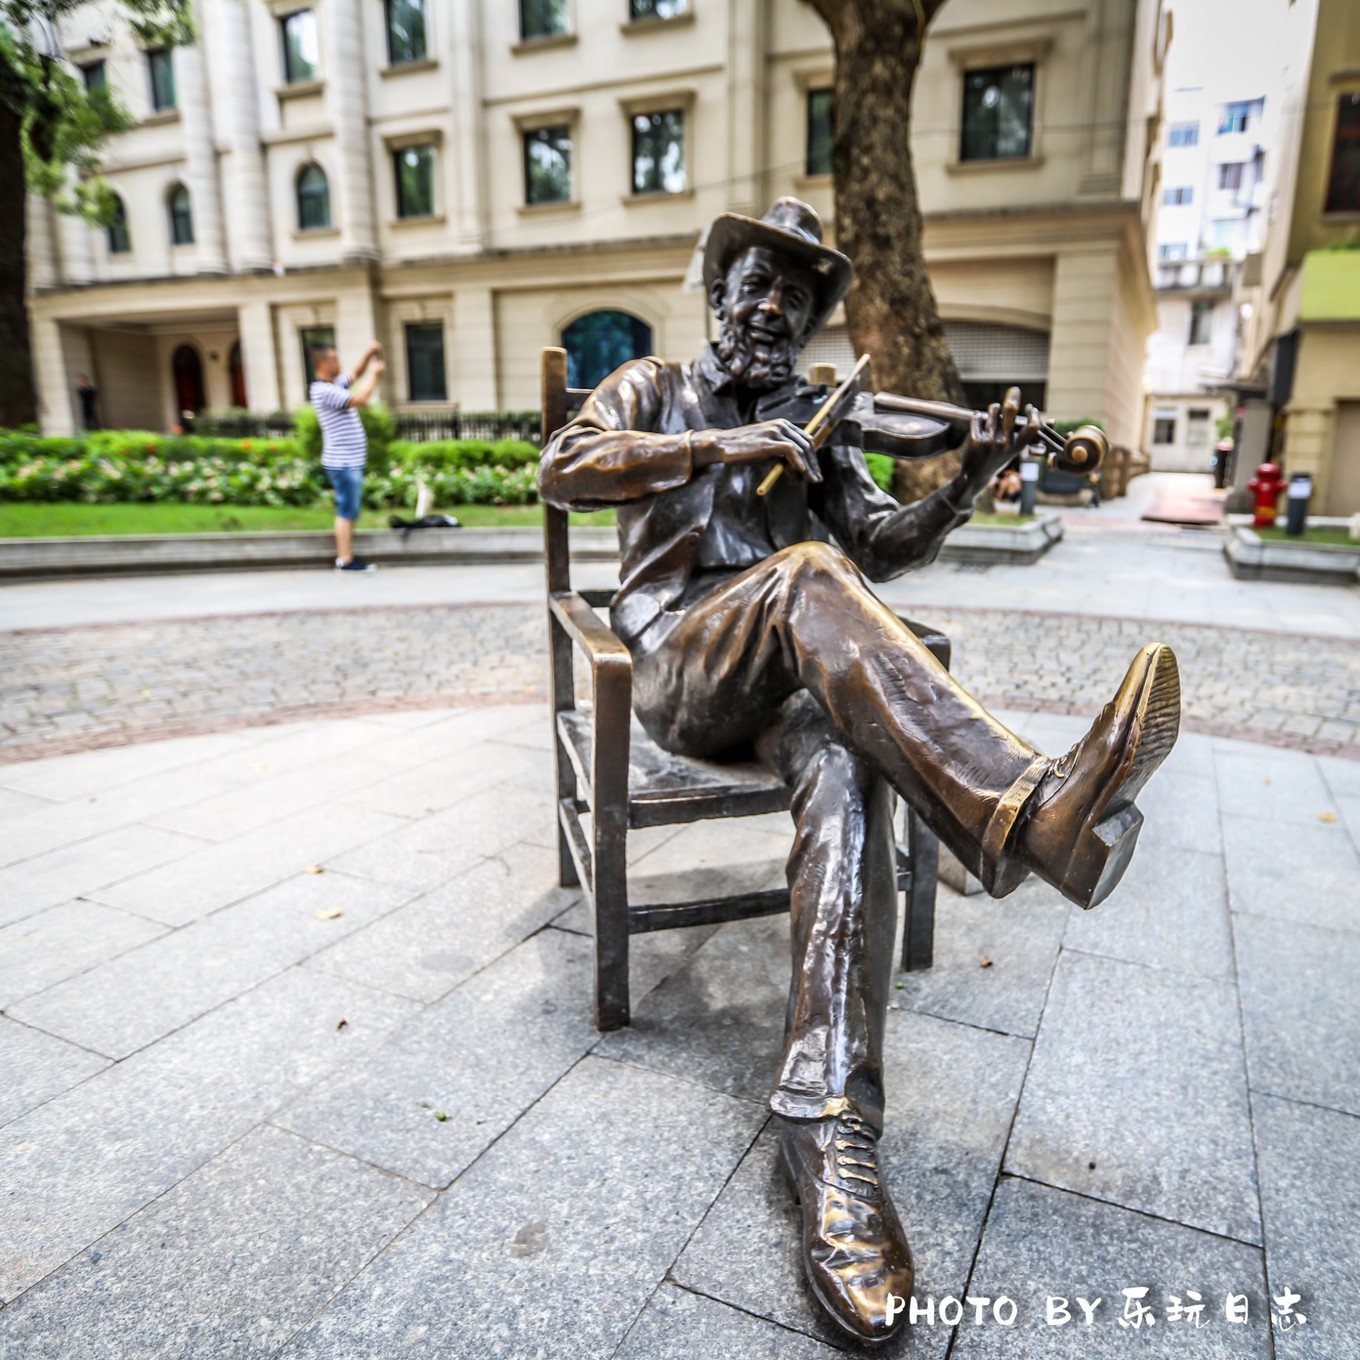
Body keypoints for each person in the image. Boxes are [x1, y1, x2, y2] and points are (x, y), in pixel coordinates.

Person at [538, 198, 1181, 1347]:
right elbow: (566, 468)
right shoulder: (650, 387)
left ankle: (828, 1127)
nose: (775, 303)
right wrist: (726, 445)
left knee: (844, 753)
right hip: (683, 666)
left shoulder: (815, 419)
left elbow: (880, 546)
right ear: (720, 289)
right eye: (758, 280)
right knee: (801, 577)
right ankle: (1030, 819)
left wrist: (967, 479)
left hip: (786, 676)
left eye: (797, 291)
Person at [309, 341, 385, 572]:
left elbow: (355, 374)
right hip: (343, 462)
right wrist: (376, 375)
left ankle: (347, 555)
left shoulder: (335, 385)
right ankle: (345, 559)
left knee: (349, 508)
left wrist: (368, 354)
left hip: (349, 460)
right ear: (323, 363)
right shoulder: (324, 391)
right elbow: (360, 399)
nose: (339, 362)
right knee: (347, 509)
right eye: (334, 358)